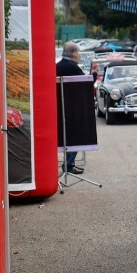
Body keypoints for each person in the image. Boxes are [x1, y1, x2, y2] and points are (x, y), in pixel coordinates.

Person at [56, 41, 85, 174]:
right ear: (74, 54)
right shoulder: (74, 67)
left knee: (63, 135)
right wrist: (94, 75)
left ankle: (69, 163)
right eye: (78, 52)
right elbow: (84, 83)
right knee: (75, 135)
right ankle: (69, 164)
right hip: (73, 107)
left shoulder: (57, 66)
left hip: (59, 106)